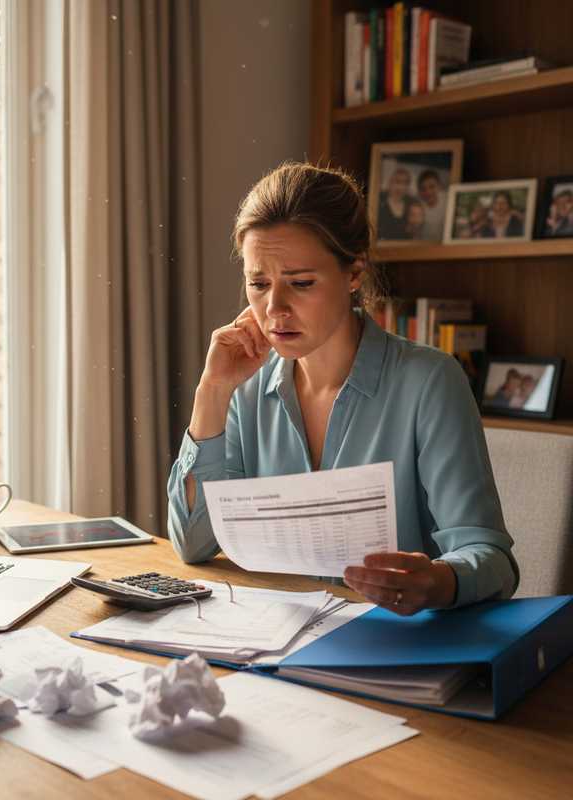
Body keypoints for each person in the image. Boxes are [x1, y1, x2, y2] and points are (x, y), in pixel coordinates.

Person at [167, 161, 518, 615]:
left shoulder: (430, 382)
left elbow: (491, 559)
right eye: (258, 284)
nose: (275, 308)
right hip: (277, 647)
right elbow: (193, 543)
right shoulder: (245, 389)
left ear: (354, 274)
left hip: (393, 649)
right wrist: (211, 392)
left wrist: (439, 581)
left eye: (300, 283)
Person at [376, 166, 415, 240]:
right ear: (390, 183)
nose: (400, 187)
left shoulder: (411, 204)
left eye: (405, 183)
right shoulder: (380, 202)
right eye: (397, 182)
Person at [417, 169, 447, 240]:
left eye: (432, 186)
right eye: (423, 188)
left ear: (439, 186)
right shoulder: (417, 206)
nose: (428, 192)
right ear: (419, 191)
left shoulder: (447, 200)